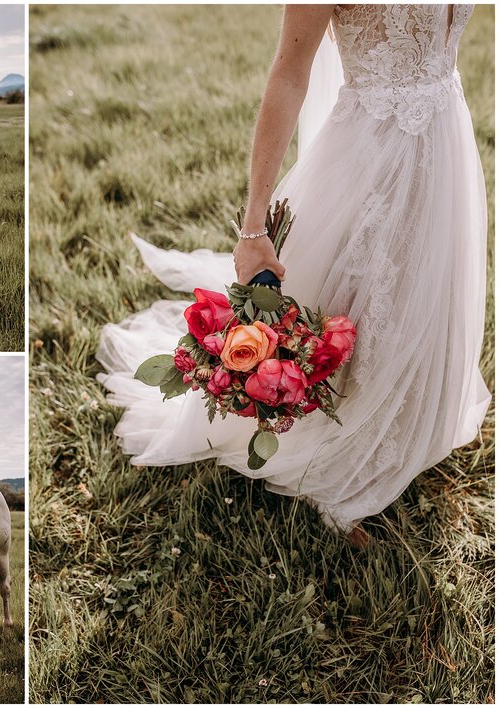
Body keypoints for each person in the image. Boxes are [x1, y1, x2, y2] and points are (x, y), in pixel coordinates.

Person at [98, 5, 489, 546]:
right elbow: (289, 71)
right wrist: (254, 227)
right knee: (364, 301)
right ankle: (336, 464)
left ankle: (413, 422)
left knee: (423, 290)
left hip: (445, 137)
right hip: (371, 157)